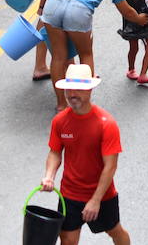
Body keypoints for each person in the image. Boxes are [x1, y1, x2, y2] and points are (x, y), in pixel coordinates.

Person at [37, 0, 148, 111]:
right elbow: (126, 11)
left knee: (58, 56)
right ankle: (83, 103)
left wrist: (41, 7)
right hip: (79, 11)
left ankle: (61, 104)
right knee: (86, 54)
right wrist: (139, 19)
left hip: (54, 3)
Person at [41, 63, 133, 243]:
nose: (72, 94)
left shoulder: (106, 124)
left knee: (115, 231)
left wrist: (95, 200)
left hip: (101, 195)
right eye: (69, 89)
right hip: (69, 195)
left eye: (78, 89)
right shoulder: (60, 121)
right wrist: (49, 176)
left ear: (90, 89)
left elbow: (110, 166)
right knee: (67, 239)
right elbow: (55, 152)